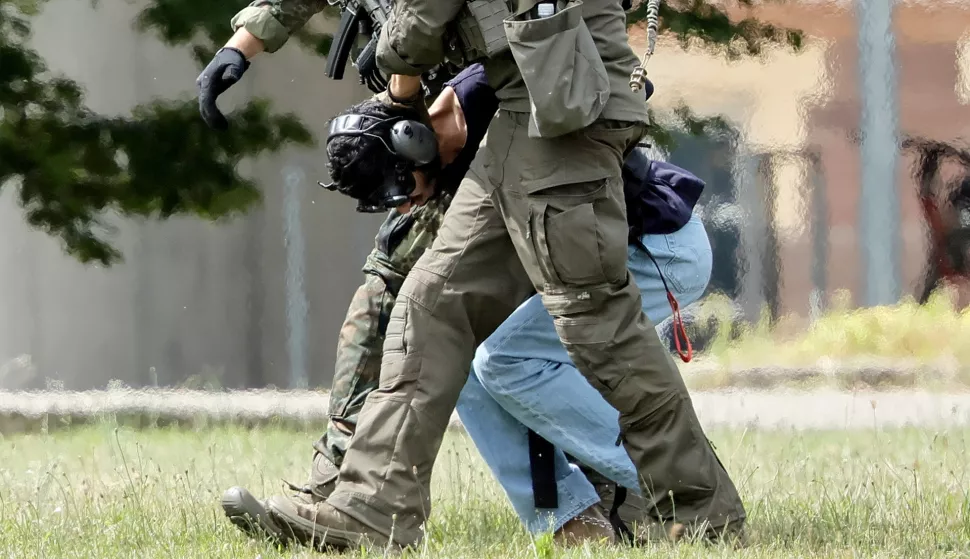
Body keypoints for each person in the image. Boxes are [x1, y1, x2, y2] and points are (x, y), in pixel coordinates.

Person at [201, 0, 747, 551]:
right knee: (434, 303)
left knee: (598, 329)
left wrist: (399, 82)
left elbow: (419, 25)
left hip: (563, 104)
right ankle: (373, 511)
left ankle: (701, 513)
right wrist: (245, 41)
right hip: (526, 105)